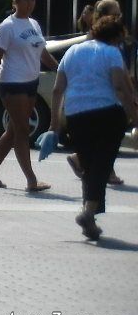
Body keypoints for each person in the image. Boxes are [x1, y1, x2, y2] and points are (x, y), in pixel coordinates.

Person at [52, 12, 138, 240]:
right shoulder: (111, 53)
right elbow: (120, 88)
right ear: (115, 37)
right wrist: (134, 116)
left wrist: (54, 126)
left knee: (91, 167)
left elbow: (58, 89)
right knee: (102, 163)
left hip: (76, 115)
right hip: (107, 114)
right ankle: (88, 212)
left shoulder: (72, 51)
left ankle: (89, 216)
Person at [0, 0, 59, 192]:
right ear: (16, 1)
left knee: (14, 130)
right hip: (12, 83)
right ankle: (31, 180)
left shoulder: (34, 24)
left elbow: (42, 54)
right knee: (23, 130)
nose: (30, 3)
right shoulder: (7, 27)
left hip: (31, 82)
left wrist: (60, 69)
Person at [66, 0, 127, 188]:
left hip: (109, 94)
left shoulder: (111, 35)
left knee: (108, 137)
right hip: (99, 98)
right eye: (114, 14)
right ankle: (100, 171)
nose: (118, 17)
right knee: (107, 136)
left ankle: (93, 166)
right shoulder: (96, 38)